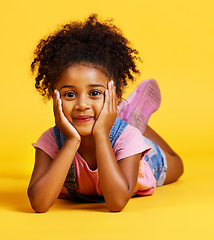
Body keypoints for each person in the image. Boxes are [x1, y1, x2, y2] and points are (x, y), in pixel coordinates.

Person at [27, 14, 184, 213]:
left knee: (177, 165)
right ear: (54, 97)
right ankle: (127, 115)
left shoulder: (127, 139)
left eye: (94, 93)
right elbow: (39, 203)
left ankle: (130, 120)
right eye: (70, 94)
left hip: (141, 161)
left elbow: (116, 202)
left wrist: (102, 134)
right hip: (100, 139)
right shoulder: (51, 141)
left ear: (115, 96)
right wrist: (71, 142)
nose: (82, 104)